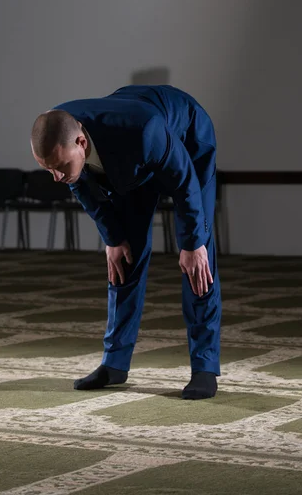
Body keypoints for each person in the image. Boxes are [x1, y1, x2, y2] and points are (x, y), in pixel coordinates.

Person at [31, 84, 221, 400]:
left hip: (186, 142)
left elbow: (185, 182)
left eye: (61, 167)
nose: (57, 178)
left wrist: (193, 243)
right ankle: (115, 364)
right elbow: (80, 185)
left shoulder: (144, 131)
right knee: (123, 258)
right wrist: (114, 238)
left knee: (198, 262)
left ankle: (204, 367)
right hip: (129, 161)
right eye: (49, 170)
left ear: (81, 142)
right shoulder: (58, 130)